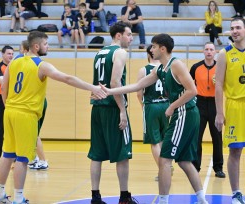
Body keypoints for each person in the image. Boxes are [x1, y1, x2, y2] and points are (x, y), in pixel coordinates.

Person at [0, 30, 106, 204]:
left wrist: (9, 106)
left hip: (10, 111)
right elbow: (67, 78)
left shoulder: (14, 61)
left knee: (7, 155)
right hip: (26, 114)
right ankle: (19, 198)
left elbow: (4, 88)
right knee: (22, 159)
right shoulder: (41, 65)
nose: (48, 47)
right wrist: (93, 88)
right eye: (46, 44)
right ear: (36, 46)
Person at [98, 33, 208, 204]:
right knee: (184, 161)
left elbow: (192, 91)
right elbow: (138, 86)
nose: (151, 49)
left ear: (162, 49)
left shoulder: (176, 65)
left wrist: (172, 106)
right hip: (183, 113)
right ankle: (202, 199)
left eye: (154, 46)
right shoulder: (160, 69)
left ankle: (163, 201)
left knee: (164, 160)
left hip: (185, 113)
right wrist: (110, 91)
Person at [88, 21, 137, 204]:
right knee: (122, 154)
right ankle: (124, 197)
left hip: (97, 107)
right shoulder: (120, 52)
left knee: (96, 154)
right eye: (129, 34)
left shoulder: (99, 53)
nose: (131, 38)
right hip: (112, 107)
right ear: (118, 36)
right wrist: (122, 111)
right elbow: (115, 83)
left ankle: (95, 197)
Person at [215, 17, 245, 204]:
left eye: (238, 28)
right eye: (232, 28)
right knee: (235, 152)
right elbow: (218, 84)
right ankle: (236, 194)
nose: (234, 31)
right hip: (234, 106)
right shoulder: (224, 53)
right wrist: (220, 113)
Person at [190, 42, 225, 178]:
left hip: (215, 103)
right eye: (206, 49)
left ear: (215, 52)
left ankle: (218, 167)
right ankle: (195, 166)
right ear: (203, 51)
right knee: (196, 137)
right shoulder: (196, 67)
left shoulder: (220, 67)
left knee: (217, 137)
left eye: (211, 49)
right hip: (200, 103)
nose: (209, 52)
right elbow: (188, 83)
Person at [136, 45, 169, 181]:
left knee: (154, 142)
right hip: (166, 105)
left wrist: (143, 106)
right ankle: (167, 165)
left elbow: (139, 93)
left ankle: (163, 170)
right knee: (164, 138)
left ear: (148, 54)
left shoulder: (144, 70)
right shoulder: (166, 68)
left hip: (152, 105)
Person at [19, 40, 49, 170]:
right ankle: (33, 158)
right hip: (34, 101)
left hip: (34, 102)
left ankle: (42, 161)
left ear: (25, 49)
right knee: (30, 133)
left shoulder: (24, 61)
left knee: (34, 133)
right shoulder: (23, 62)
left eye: (20, 48)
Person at [0, 45, 14, 164]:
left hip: (14, 99)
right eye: (8, 53)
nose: (11, 56)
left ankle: (14, 155)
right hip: (1, 99)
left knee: (14, 128)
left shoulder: (16, 66)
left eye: (12, 54)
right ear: (3, 54)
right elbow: (2, 81)